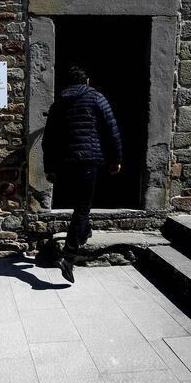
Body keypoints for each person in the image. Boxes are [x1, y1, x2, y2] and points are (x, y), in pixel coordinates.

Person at [42, 65, 122, 283]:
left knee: (80, 206)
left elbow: (48, 138)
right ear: (87, 81)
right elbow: (111, 129)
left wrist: (49, 167)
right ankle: (68, 257)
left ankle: (84, 232)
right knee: (82, 207)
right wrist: (116, 160)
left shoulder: (59, 103)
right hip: (88, 161)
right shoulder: (96, 98)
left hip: (65, 163)